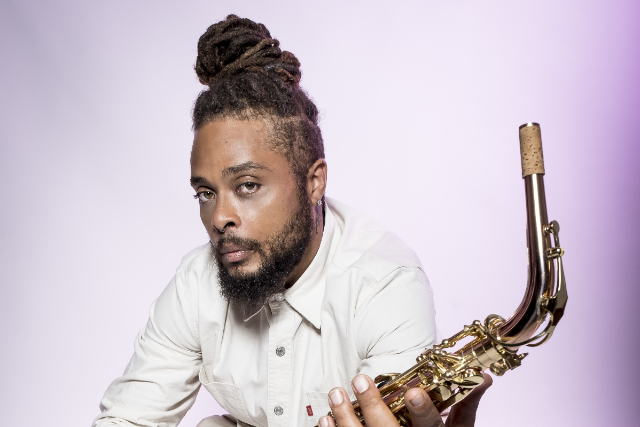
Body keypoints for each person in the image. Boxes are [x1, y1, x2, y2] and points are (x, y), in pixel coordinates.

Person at [92, 15, 490, 427]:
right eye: (205, 193)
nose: (220, 218)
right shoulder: (197, 282)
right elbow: (126, 420)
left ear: (314, 181)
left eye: (247, 185)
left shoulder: (386, 285)